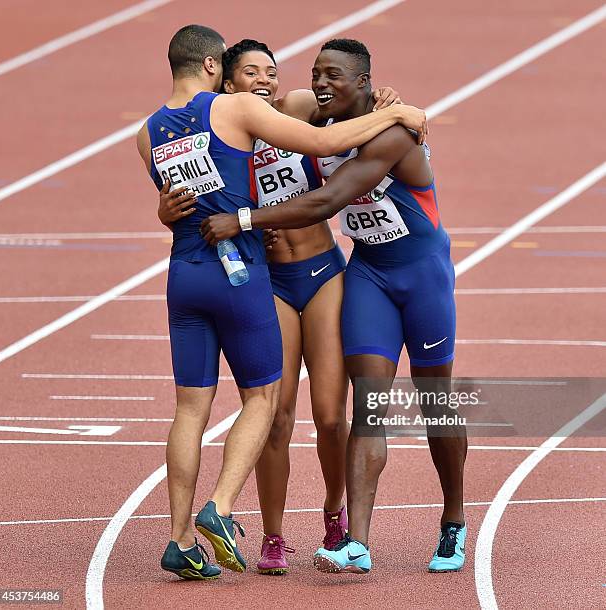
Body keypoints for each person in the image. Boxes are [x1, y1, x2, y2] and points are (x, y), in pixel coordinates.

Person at [137, 25, 429, 579]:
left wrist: (389, 100)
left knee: (314, 411)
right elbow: (321, 145)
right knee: (270, 406)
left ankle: (208, 535)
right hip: (250, 274)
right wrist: (398, 117)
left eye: (273, 73)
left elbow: (340, 98)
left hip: (245, 272)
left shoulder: (157, 130)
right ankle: (243, 521)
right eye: (250, 73)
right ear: (219, 75)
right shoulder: (238, 112)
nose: (266, 82)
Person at [200, 38, 467, 575]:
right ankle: (357, 542)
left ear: (364, 83)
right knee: (369, 403)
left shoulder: (392, 134)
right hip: (369, 274)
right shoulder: (319, 125)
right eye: (316, 75)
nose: (320, 85)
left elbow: (327, 200)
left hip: (423, 279)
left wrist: (245, 220)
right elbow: (271, 117)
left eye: (333, 77)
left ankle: (454, 519)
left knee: (436, 400)